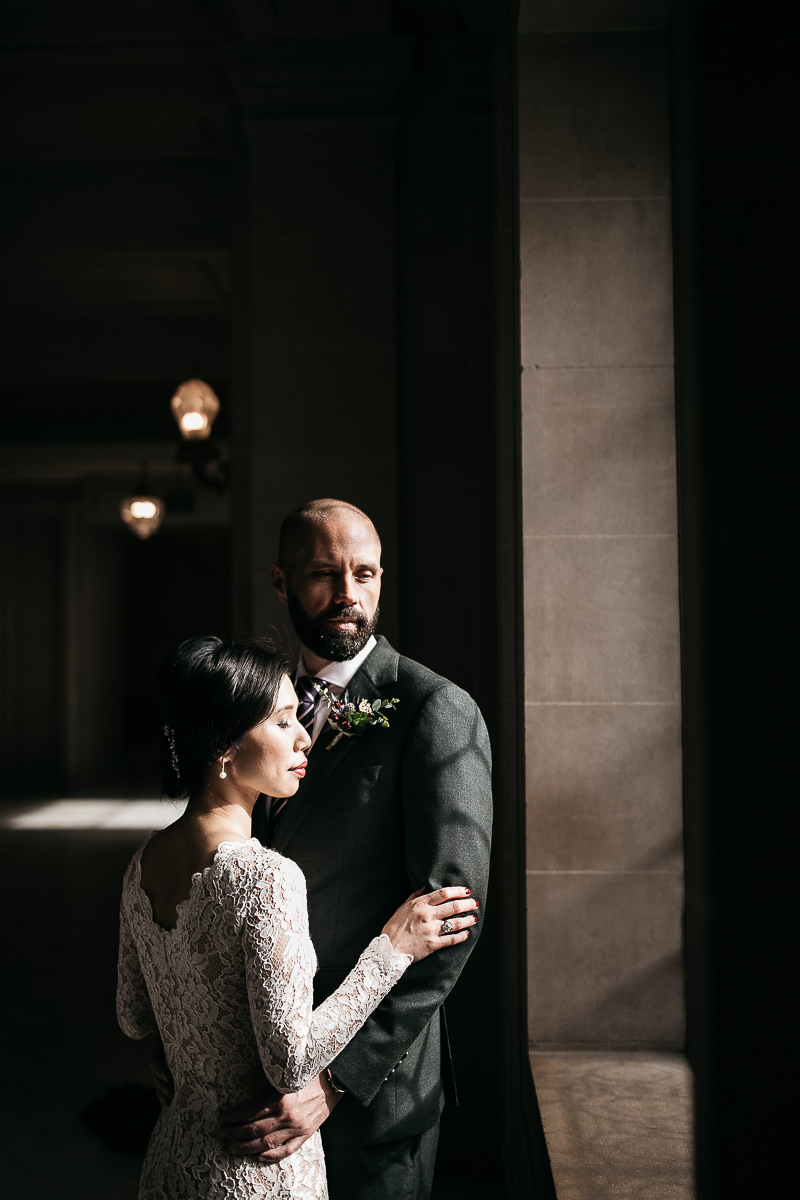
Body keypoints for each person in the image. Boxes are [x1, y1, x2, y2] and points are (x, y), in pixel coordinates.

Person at [117, 635, 478, 1200]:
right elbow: (290, 1066)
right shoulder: (266, 879)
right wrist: (391, 950)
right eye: (284, 722)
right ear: (225, 747)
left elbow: (134, 1016)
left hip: (173, 1161)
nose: (305, 734)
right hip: (255, 1172)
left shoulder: (142, 865)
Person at [221, 499, 493, 1200]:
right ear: (281, 582)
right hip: (256, 1073)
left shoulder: (435, 711)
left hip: (373, 1097)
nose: (348, 595)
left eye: (365, 574)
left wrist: (334, 1082)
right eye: (323, 574)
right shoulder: (259, 707)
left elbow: (451, 924)